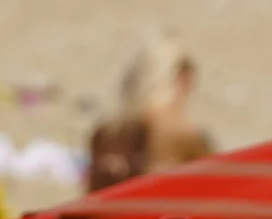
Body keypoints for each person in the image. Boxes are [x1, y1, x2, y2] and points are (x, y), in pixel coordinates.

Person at [86, 35, 211, 189]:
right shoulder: (180, 130)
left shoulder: (105, 132)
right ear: (183, 79)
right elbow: (215, 187)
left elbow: (93, 196)